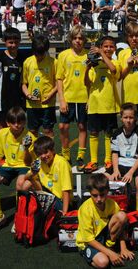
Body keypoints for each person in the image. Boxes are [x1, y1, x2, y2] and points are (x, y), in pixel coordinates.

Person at [0, 106, 36, 233]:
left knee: (21, 184)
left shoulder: (29, 137)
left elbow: (29, 162)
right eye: (13, 122)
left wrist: (26, 148)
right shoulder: (2, 133)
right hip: (8, 165)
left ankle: (19, 218)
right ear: (8, 123)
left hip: (24, 165)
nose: (17, 125)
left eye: (20, 122)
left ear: (24, 122)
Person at [76, 174, 133, 268]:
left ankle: (109, 247)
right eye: (94, 195)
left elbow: (122, 226)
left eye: (102, 195)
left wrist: (124, 248)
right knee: (103, 262)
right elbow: (88, 239)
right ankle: (94, 252)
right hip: (89, 242)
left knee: (122, 216)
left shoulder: (112, 204)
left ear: (107, 191)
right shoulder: (85, 209)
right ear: (90, 193)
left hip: (104, 235)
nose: (98, 199)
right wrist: (110, 254)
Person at [84, 36, 121, 173]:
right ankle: (93, 161)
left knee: (108, 133)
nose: (108, 49)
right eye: (105, 46)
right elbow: (87, 83)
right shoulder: (95, 64)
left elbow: (113, 70)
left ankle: (108, 160)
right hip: (94, 104)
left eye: (111, 46)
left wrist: (101, 54)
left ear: (115, 49)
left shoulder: (116, 62)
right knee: (93, 133)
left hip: (110, 105)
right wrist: (87, 68)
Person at [56, 25, 89, 169]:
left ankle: (80, 156)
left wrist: (90, 99)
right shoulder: (63, 55)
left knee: (82, 127)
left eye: (81, 38)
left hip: (84, 98)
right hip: (68, 98)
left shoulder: (89, 55)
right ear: (71, 39)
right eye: (75, 38)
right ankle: (66, 154)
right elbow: (59, 79)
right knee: (63, 126)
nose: (78, 41)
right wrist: (62, 99)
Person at [109, 103, 138, 211]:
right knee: (106, 178)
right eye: (125, 117)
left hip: (137, 162)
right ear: (121, 118)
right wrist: (115, 169)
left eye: (131, 117)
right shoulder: (116, 133)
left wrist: (131, 172)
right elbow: (114, 153)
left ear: (135, 118)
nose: (128, 120)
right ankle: (116, 208)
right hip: (121, 162)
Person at [0, 27, 25, 131]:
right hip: (2, 99)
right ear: (5, 42)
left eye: (16, 42)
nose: (13, 45)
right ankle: (0, 147)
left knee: (17, 128)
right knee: (2, 128)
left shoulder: (22, 58)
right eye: (10, 42)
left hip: (17, 100)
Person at [23, 136, 72, 213]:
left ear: (53, 150)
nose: (43, 156)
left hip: (60, 200)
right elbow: (26, 177)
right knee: (26, 183)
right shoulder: (39, 162)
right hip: (48, 196)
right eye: (40, 154)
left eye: (46, 152)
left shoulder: (62, 163)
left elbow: (66, 190)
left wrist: (64, 213)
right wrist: (32, 173)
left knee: (34, 205)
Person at [22, 35, 57, 138]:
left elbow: (59, 83)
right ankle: (33, 154)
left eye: (42, 54)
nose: (40, 56)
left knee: (48, 130)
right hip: (32, 105)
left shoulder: (53, 62)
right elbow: (24, 84)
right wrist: (28, 95)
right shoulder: (27, 62)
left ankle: (49, 153)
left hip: (48, 104)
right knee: (32, 131)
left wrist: (50, 95)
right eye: (37, 54)